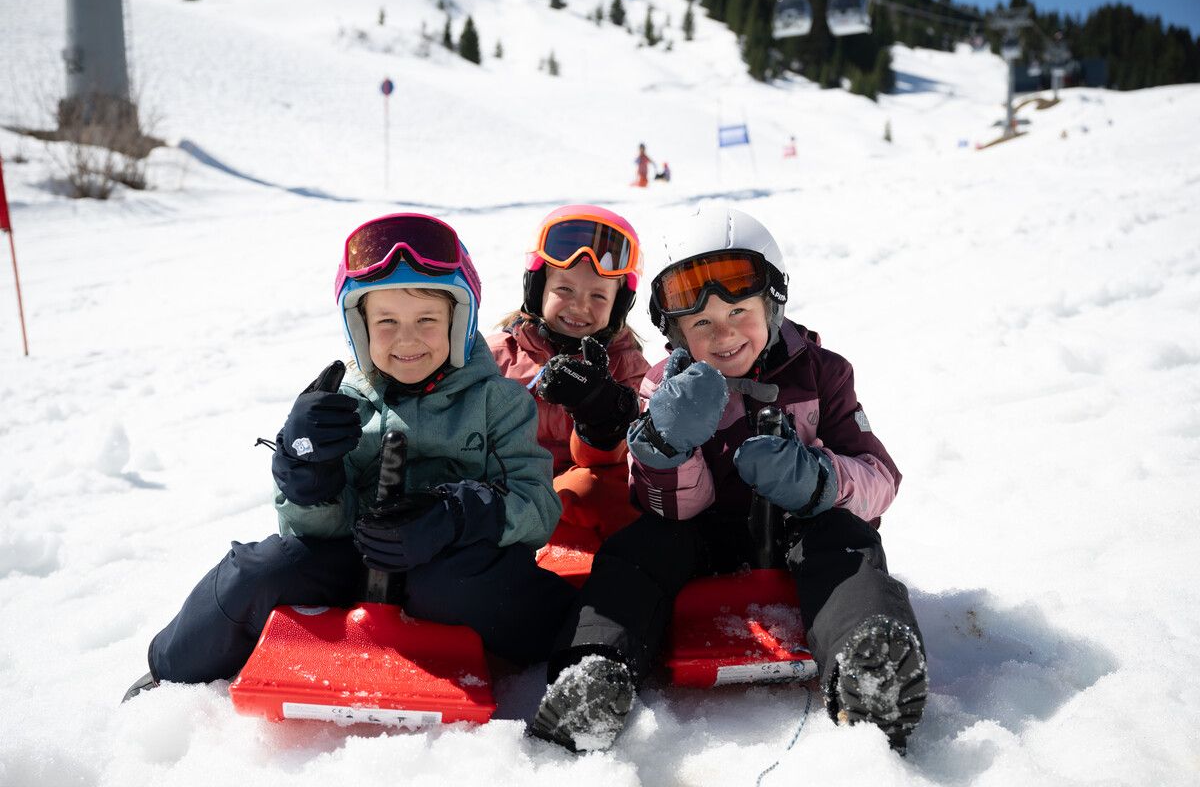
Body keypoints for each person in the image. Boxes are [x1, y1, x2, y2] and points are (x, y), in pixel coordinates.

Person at [123, 213, 577, 701]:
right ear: (359, 328)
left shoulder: (498, 403)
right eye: (386, 322)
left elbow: (538, 508)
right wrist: (306, 472)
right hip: (355, 559)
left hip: (452, 563)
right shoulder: (346, 403)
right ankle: (172, 673)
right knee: (265, 568)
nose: (407, 339)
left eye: (427, 320)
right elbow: (313, 530)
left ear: (460, 323)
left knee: (449, 585)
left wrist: (455, 516)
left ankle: (575, 650)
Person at [529, 205, 928, 753]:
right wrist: (668, 447)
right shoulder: (661, 385)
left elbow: (880, 476)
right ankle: (595, 671)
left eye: (738, 311)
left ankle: (870, 664)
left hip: (801, 525)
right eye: (701, 324)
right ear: (676, 332)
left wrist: (818, 481)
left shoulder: (823, 371)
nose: (723, 335)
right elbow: (661, 504)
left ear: (772, 304)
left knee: (847, 543)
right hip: (699, 532)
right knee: (638, 549)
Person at [489, 205, 649, 549]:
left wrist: (600, 416)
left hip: (576, 518)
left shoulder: (627, 367)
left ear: (618, 304)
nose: (579, 307)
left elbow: (627, 461)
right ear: (538, 286)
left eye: (597, 296)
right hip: (499, 502)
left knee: (598, 488)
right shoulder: (494, 357)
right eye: (565, 290)